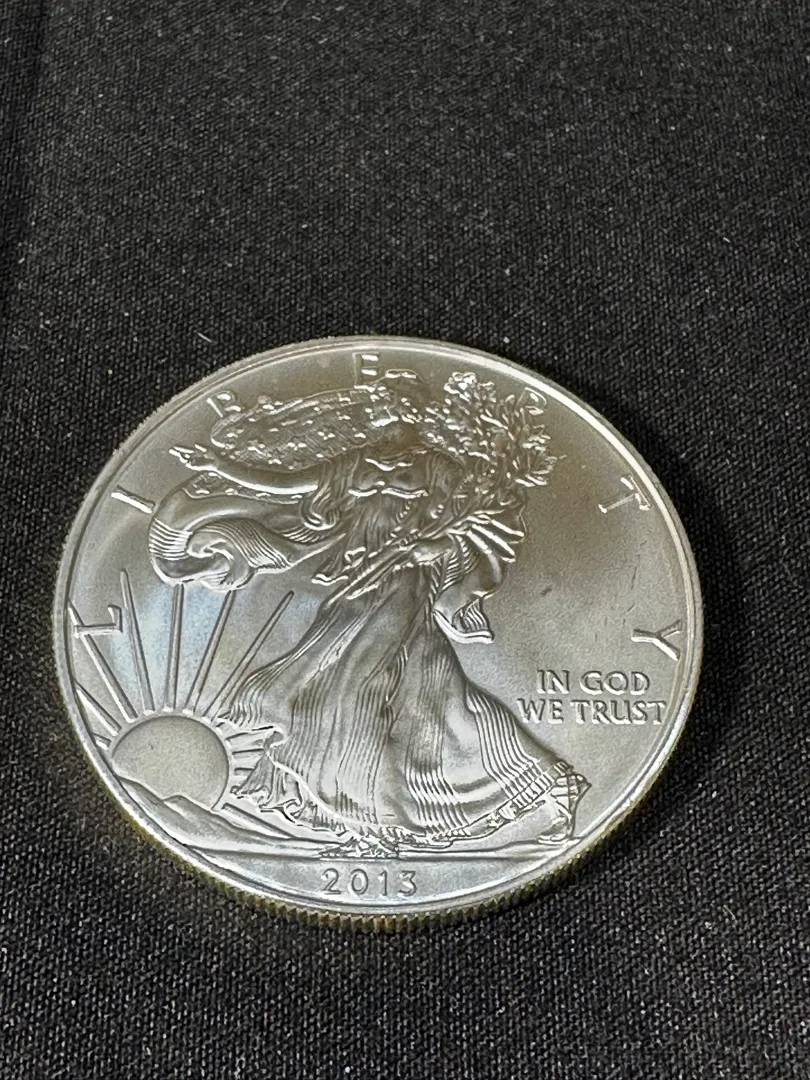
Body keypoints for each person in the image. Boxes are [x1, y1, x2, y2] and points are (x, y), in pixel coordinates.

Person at [148, 365, 588, 855]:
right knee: (429, 696)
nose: (383, 413)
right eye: (382, 405)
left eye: (394, 404)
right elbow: (288, 484)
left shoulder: (440, 467)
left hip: (405, 582)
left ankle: (370, 823)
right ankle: (536, 786)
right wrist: (219, 465)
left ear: (413, 411)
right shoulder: (357, 461)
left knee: (353, 685)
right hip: (358, 582)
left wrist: (438, 544)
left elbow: (480, 520)